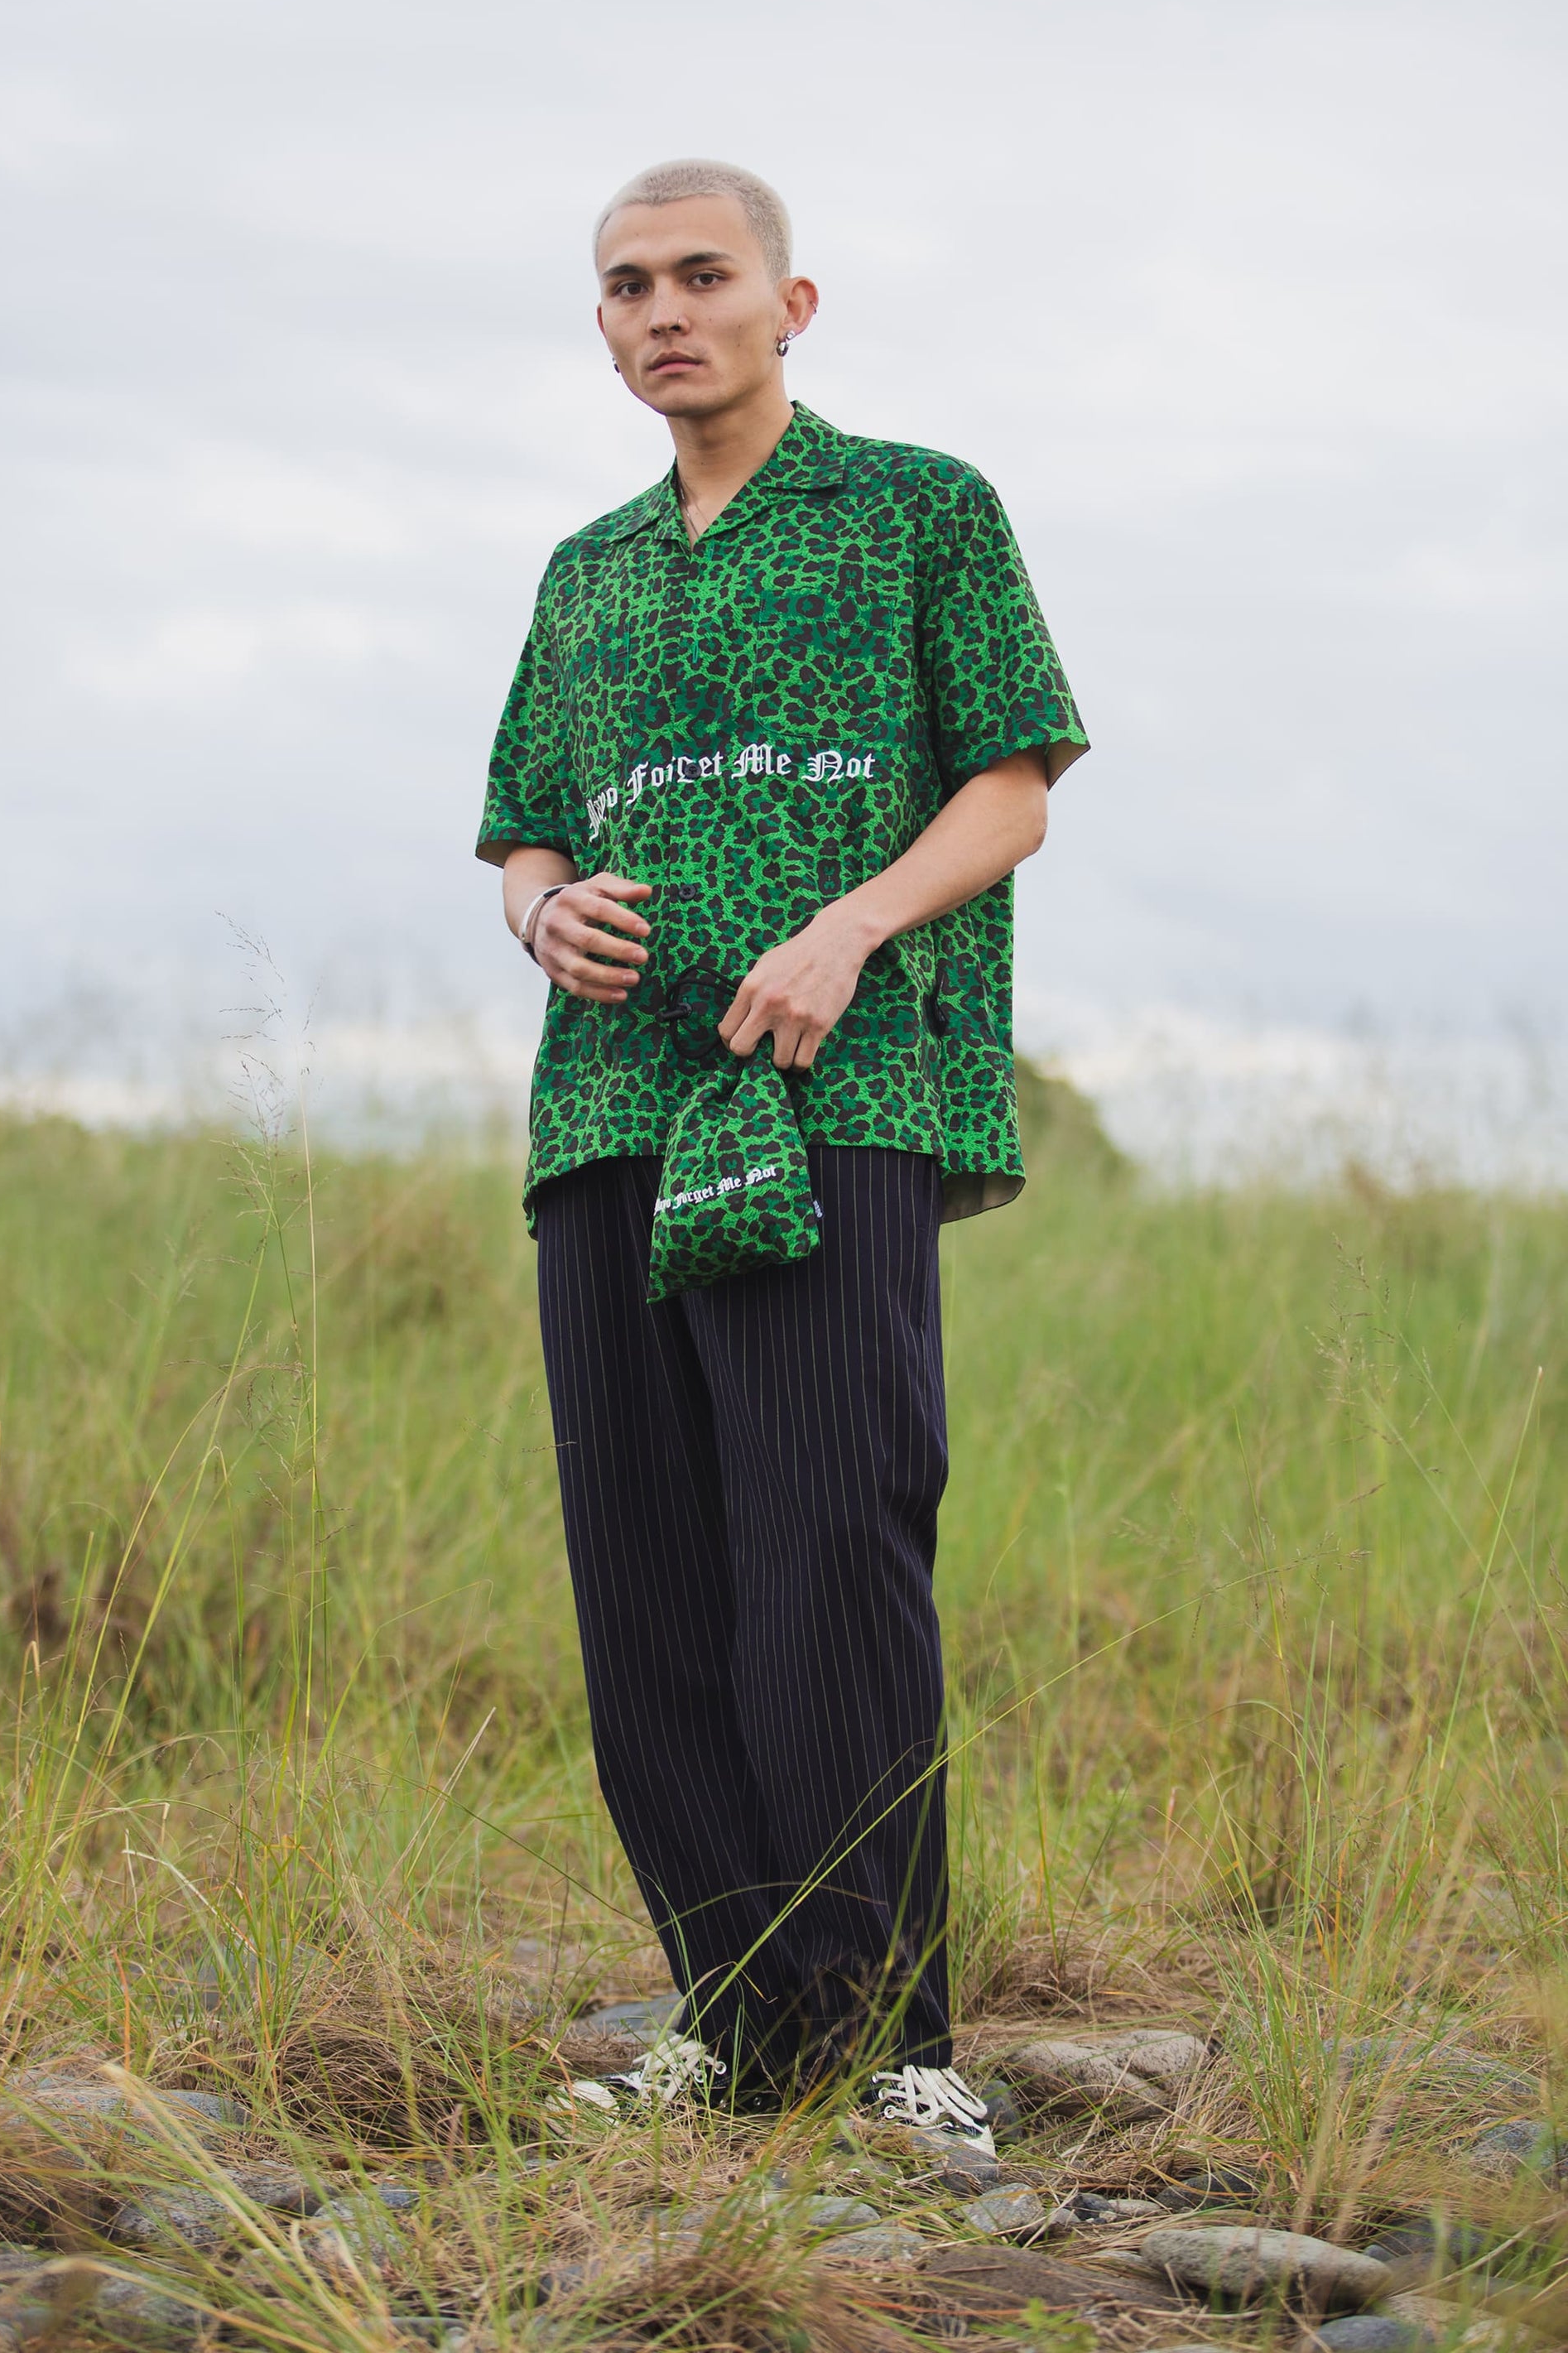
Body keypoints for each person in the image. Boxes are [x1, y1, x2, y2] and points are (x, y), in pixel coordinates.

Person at [477, 159, 1086, 2151]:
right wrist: (543, 910)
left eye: (701, 275)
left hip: (841, 1089)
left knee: (830, 1549)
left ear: (788, 303)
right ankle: (739, 2026)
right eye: (625, 286)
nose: (663, 311)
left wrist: (849, 926)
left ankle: (892, 2047)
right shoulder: (584, 571)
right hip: (613, 1107)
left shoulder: (918, 507)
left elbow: (1012, 788)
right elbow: (528, 826)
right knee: (645, 1577)